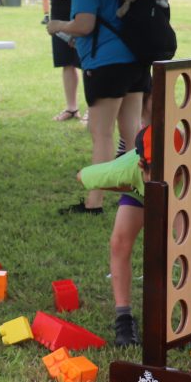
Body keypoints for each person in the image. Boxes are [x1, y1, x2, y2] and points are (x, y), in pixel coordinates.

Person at [48, 0, 148, 215]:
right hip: (134, 62)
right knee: (131, 135)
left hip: (106, 66)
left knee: (101, 134)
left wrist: (58, 25)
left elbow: (85, 25)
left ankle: (94, 203)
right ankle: (137, 195)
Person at [76, 125, 152, 345]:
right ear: (141, 165)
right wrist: (128, 187)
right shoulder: (126, 168)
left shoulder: (188, 174)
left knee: (182, 245)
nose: (167, 176)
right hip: (139, 193)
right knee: (119, 243)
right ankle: (124, 318)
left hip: (180, 197)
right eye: (157, 172)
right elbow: (81, 176)